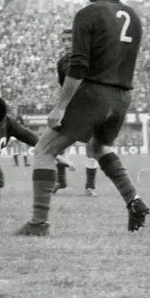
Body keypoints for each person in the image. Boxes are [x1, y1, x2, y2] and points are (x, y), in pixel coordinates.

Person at [16, 0, 150, 236]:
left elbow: (79, 65)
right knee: (98, 149)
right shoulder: (133, 17)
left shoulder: (87, 14)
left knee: (44, 150)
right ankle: (133, 200)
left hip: (94, 94)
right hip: (123, 96)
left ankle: (39, 223)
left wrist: (61, 106)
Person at [52, 28, 96, 196]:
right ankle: (60, 182)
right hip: (69, 108)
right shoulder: (61, 62)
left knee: (91, 146)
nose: (66, 43)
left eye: (69, 39)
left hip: (89, 107)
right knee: (59, 144)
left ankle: (90, 186)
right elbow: (63, 88)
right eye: (63, 40)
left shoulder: (88, 59)